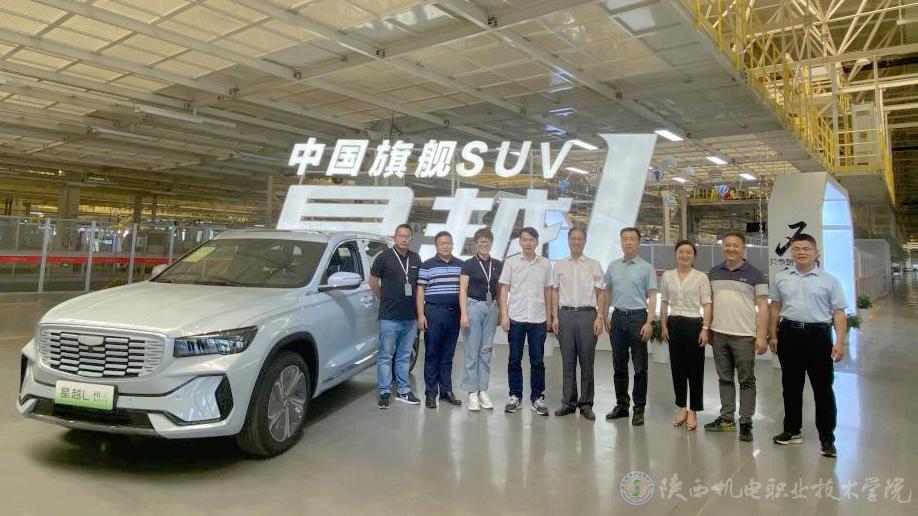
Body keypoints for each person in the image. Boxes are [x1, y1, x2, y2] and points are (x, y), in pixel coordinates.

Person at [768, 233, 847, 458]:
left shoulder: (830, 281)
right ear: (791, 252)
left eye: (806, 248)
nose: (801, 252)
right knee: (791, 387)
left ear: (816, 253)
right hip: (789, 335)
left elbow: (839, 313)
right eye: (796, 249)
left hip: (818, 337)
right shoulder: (781, 278)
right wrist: (773, 336)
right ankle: (792, 430)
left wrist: (839, 342)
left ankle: (827, 438)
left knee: (823, 389)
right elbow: (775, 308)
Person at [704, 232, 768, 442]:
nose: (731, 249)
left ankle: (746, 422)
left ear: (743, 248)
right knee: (724, 378)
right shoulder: (713, 273)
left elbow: (763, 307)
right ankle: (726, 419)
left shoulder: (756, 274)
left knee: (746, 380)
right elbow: (709, 303)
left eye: (735, 245)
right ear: (722, 247)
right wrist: (708, 328)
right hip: (719, 335)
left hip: (744, 336)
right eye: (727, 245)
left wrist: (761, 336)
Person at [602, 226, 657, 426]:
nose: (628, 242)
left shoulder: (646, 268)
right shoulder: (613, 266)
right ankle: (622, 405)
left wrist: (649, 322)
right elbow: (607, 291)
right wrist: (604, 315)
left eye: (632, 239)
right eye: (624, 239)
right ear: (621, 242)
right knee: (619, 366)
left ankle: (639, 408)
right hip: (617, 318)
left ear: (639, 242)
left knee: (640, 367)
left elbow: (652, 296)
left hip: (638, 318)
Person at [550, 227, 605, 420]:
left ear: (585, 241)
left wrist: (599, 316)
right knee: (568, 361)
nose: (576, 242)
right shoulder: (559, 265)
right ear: (568, 240)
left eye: (579, 239)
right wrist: (555, 317)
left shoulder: (594, 265)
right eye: (573, 238)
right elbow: (555, 291)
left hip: (587, 315)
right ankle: (568, 402)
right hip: (565, 315)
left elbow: (601, 292)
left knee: (587, 361)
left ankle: (586, 403)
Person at [498, 227, 553, 416]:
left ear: (537, 242)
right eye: (524, 239)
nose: (528, 243)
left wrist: (549, 316)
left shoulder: (545, 263)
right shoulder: (511, 262)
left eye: (531, 239)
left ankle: (537, 398)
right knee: (514, 359)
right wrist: (504, 315)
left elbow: (548, 290)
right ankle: (515, 396)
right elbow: (504, 289)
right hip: (516, 317)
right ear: (520, 242)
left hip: (538, 318)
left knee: (537, 360)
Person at [659, 240, 712, 432]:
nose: (684, 255)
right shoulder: (667, 276)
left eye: (688, 252)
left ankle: (694, 411)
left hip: (694, 324)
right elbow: (664, 302)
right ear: (675, 254)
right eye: (681, 251)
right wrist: (664, 326)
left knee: (695, 370)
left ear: (694, 256)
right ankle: (681, 408)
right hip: (674, 323)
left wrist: (705, 328)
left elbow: (707, 304)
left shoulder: (701, 277)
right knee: (678, 369)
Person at [369, 224, 422, 409]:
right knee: (386, 356)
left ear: (411, 238)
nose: (404, 239)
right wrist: (384, 297)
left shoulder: (415, 258)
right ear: (394, 237)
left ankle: (403, 391)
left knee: (404, 356)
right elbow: (373, 282)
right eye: (401, 235)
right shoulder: (383, 257)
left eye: (407, 236)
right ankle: (384, 392)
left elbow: (419, 286)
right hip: (389, 317)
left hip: (410, 318)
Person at [417, 231, 464, 408]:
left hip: (454, 313)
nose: (445, 246)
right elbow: (420, 291)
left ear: (452, 245)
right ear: (436, 246)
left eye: (448, 243)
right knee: (432, 355)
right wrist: (421, 315)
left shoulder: (461, 265)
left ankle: (446, 391)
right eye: (442, 243)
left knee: (448, 355)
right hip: (434, 313)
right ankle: (430, 393)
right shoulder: (427, 265)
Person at [459, 228, 502, 412]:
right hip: (473, 307)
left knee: (486, 350)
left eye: (487, 241)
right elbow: (462, 290)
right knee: (472, 351)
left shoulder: (497, 264)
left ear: (491, 243)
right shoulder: (468, 264)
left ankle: (483, 390)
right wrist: (464, 313)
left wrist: (501, 311)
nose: (484, 244)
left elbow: (500, 290)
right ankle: (471, 392)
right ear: (476, 243)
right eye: (481, 241)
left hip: (491, 308)